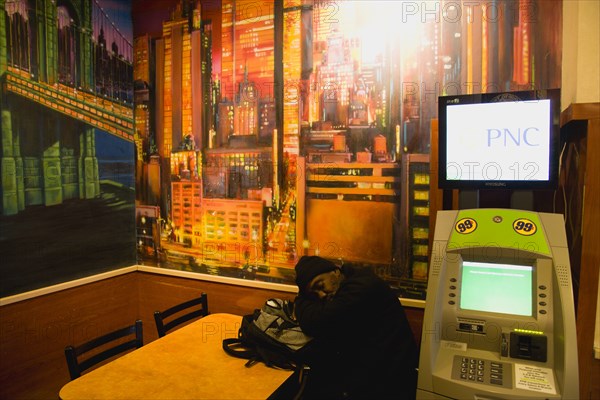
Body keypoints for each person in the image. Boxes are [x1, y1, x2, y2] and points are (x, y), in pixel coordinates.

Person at [293, 255, 418, 400]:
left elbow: (317, 322)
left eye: (320, 286)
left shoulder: (362, 288)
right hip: (378, 372)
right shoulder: (352, 282)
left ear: (335, 272)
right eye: (314, 295)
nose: (321, 295)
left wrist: (301, 298)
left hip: (391, 381)